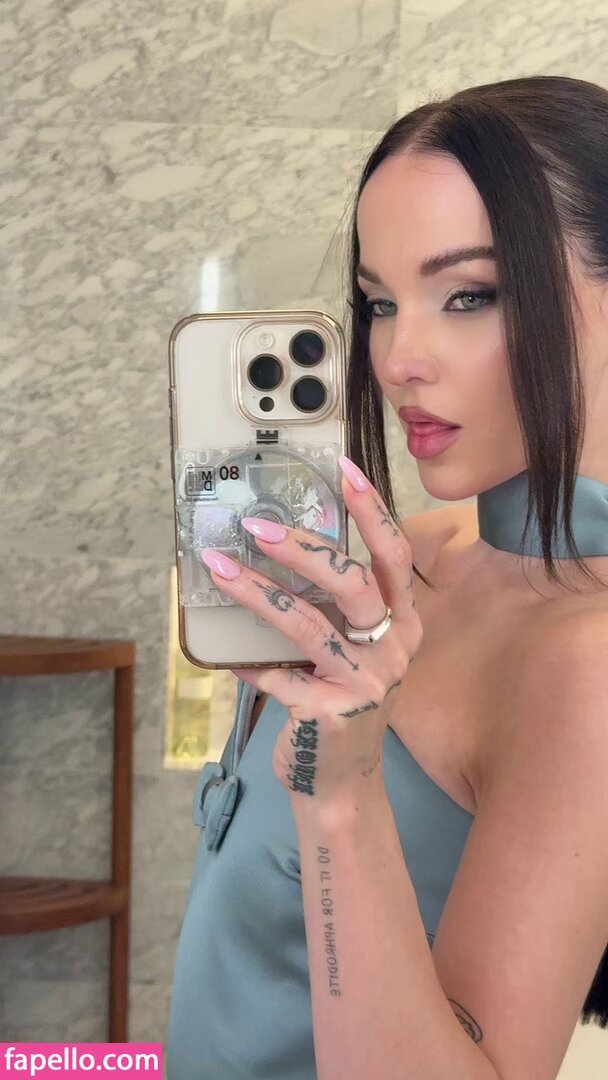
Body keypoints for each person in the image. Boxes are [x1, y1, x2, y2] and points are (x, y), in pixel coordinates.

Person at [166, 75, 608, 1080]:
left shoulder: (584, 663)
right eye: (377, 303)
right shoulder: (416, 555)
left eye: (469, 294)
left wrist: (343, 794)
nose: (398, 356)